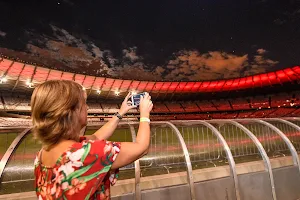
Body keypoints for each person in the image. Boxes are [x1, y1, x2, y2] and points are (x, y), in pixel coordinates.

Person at [31, 80, 153, 200]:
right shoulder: (84, 154)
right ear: (72, 112)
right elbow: (141, 147)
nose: (87, 107)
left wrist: (121, 112)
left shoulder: (42, 154)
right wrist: (144, 115)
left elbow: (96, 137)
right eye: (84, 103)